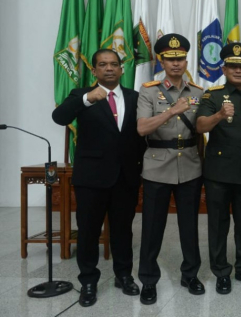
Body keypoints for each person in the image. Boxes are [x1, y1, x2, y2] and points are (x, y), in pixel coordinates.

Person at [52, 49, 144, 307]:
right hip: (91, 178)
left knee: (123, 231)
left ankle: (124, 275)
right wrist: (87, 99)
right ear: (94, 71)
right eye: (103, 65)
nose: (109, 69)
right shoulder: (80, 95)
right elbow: (59, 118)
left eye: (114, 64)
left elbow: (140, 136)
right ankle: (89, 281)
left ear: (121, 69)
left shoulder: (135, 97)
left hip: (126, 176)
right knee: (89, 232)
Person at [136, 34, 205, 305]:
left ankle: (190, 275)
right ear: (161, 61)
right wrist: (170, 112)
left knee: (189, 227)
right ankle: (149, 281)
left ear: (186, 60)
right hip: (157, 166)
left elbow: (201, 133)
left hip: (189, 165)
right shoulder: (149, 91)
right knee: (152, 228)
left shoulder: (198, 92)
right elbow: (142, 128)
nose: (175, 63)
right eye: (170, 59)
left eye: (180, 59)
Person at [196, 42, 241, 294]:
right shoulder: (212, 95)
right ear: (224, 69)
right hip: (218, 172)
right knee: (218, 224)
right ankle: (221, 271)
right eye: (233, 66)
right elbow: (201, 126)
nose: (238, 71)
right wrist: (218, 115)